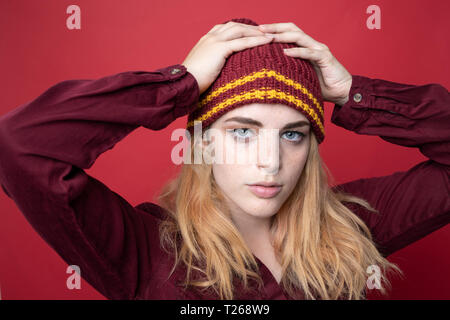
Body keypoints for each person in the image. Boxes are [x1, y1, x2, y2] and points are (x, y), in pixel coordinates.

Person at [0, 17, 448, 300]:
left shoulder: (353, 225)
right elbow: (19, 144)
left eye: (292, 134)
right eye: (242, 133)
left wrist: (355, 94)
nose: (270, 162)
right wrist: (180, 85)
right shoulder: (146, 250)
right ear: (202, 143)